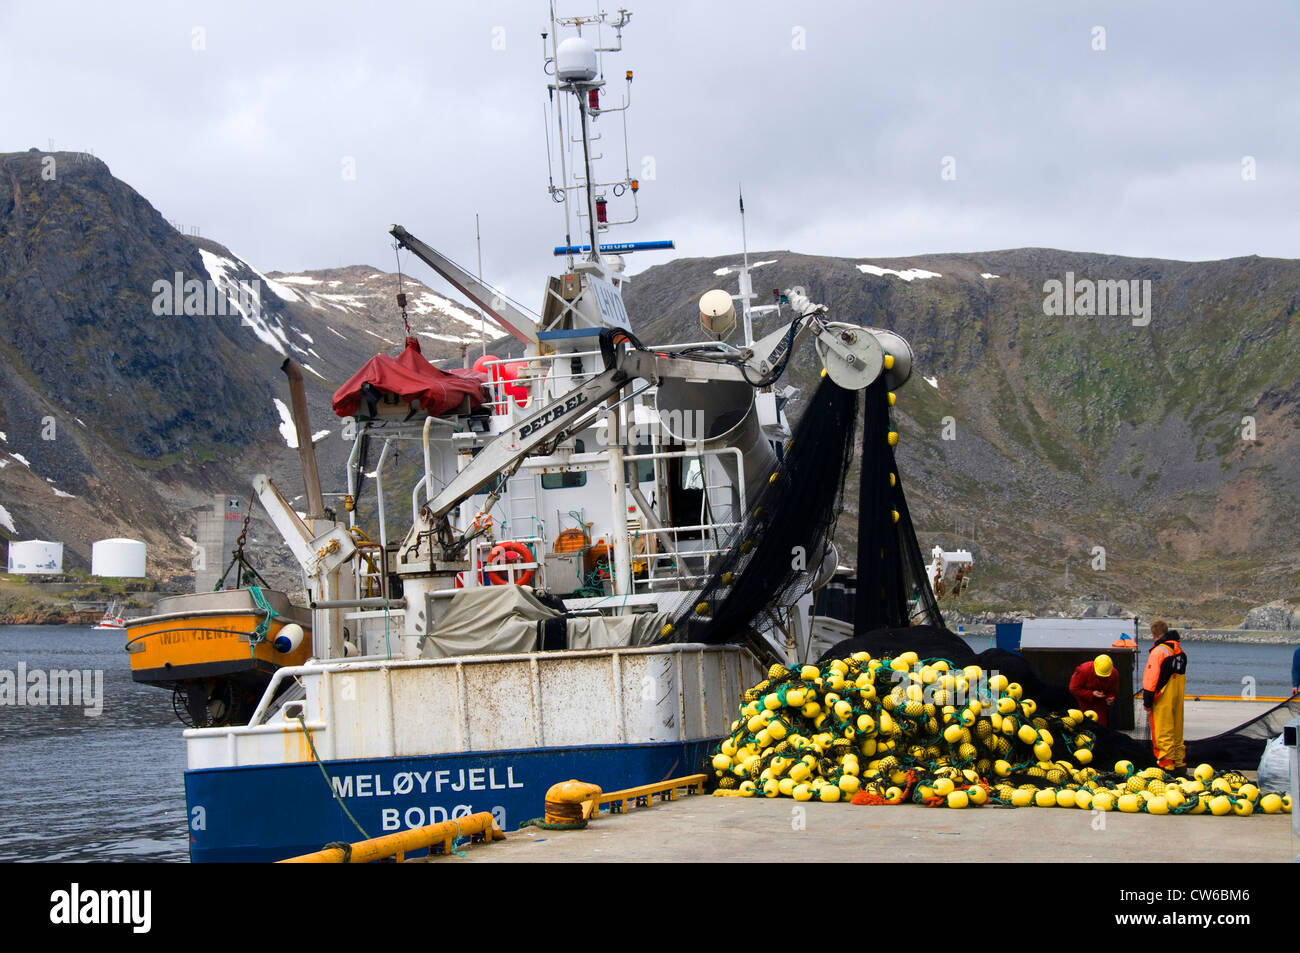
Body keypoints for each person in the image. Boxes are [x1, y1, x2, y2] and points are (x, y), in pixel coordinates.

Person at [1142, 619, 1187, 771]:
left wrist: (1147, 701)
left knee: (1163, 730)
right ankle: (1179, 762)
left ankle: (1167, 765)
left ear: (1153, 634)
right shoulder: (1180, 652)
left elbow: (1151, 679)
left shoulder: (1158, 652)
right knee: (1176, 730)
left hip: (1163, 696)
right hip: (1178, 696)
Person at [1069, 654, 1118, 726]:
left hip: (1100, 703)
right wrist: (1091, 694)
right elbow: (1073, 689)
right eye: (1100, 676)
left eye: (1105, 676)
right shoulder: (1083, 670)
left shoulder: (1114, 673)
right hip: (1083, 703)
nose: (1102, 678)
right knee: (1083, 725)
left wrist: (1110, 697)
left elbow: (1112, 690)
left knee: (1101, 727)